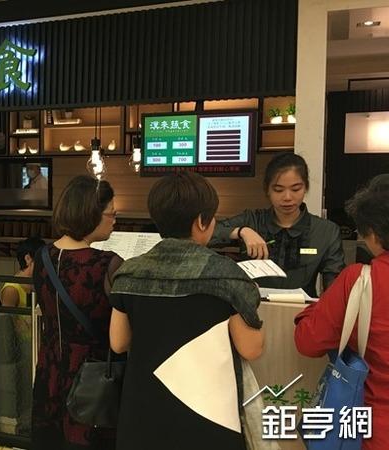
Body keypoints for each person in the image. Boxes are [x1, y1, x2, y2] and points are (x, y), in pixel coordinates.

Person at [109, 172, 263, 450]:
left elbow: (118, 342)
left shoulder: (128, 272)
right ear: (202, 222)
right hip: (208, 416)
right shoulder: (227, 275)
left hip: (142, 416)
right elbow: (251, 348)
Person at [31, 175, 123, 449]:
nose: (115, 220)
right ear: (91, 214)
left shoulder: (42, 257)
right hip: (93, 378)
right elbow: (122, 334)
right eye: (111, 214)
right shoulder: (107, 264)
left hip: (49, 370)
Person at [294, 183, 389, 450]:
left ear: (372, 233)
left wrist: (310, 310)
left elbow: (309, 342)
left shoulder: (361, 280)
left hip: (372, 432)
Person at [211, 153, 345, 297]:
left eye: (295, 189)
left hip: (304, 309)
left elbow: (335, 289)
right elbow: (204, 234)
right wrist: (241, 231)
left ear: (306, 187)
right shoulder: (252, 220)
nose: (287, 197)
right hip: (252, 306)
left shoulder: (326, 231)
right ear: (267, 190)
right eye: (278, 190)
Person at [0, 237, 46, 308]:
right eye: (41, 260)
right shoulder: (11, 290)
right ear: (28, 258)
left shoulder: (39, 282)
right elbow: (6, 315)